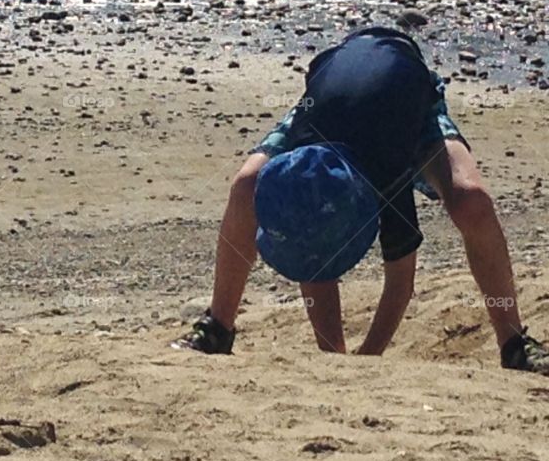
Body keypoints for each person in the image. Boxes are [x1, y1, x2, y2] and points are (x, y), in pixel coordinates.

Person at [175, 26, 549, 373]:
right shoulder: (305, 160)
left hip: (408, 99)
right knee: (246, 186)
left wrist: (367, 361)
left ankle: (514, 343)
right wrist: (336, 362)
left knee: (472, 201)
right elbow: (310, 244)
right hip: (321, 101)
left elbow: (401, 281)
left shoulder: (386, 172)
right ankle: (218, 328)